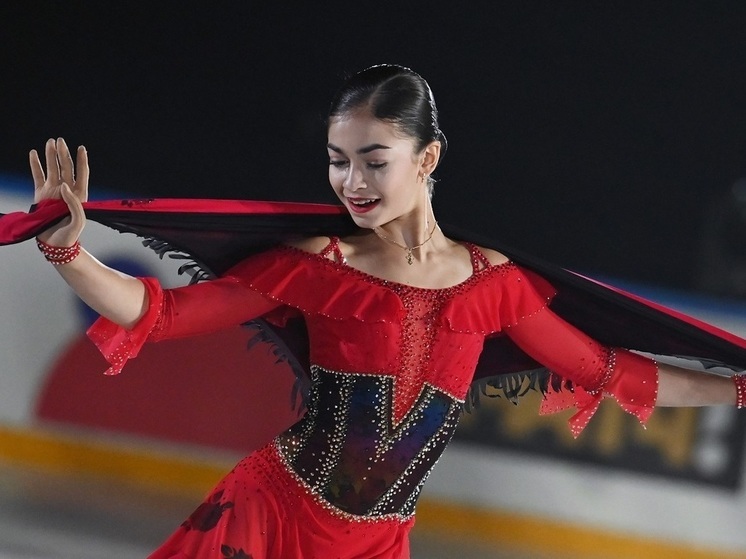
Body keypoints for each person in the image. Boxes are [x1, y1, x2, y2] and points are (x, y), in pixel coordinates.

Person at [19, 65, 746, 558]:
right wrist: (66, 250)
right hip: (272, 516)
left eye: (374, 159)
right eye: (338, 160)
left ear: (427, 159)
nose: (352, 181)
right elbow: (158, 313)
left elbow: (612, 372)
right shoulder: (321, 266)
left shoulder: (494, 284)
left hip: (377, 542)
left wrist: (738, 388)